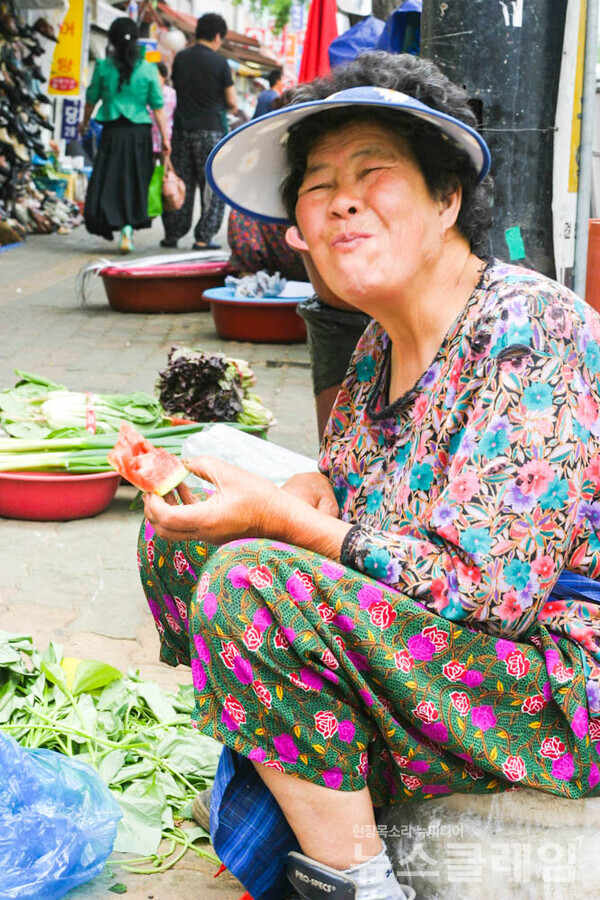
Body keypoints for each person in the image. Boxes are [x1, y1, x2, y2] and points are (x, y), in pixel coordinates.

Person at [139, 51, 600, 900]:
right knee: (181, 534)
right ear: (298, 231)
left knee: (254, 584)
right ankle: (316, 792)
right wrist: (301, 496)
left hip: (559, 679)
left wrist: (290, 525)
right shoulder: (374, 352)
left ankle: (359, 885)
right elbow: (353, 506)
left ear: (447, 198)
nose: (342, 199)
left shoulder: (530, 327)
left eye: (373, 172)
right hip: (447, 649)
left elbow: (490, 593)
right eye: (318, 186)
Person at [80, 17, 170, 253]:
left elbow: (91, 100)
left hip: (112, 133)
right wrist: (165, 139)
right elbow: (158, 108)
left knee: (110, 179)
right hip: (139, 135)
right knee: (134, 179)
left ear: (111, 40)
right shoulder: (149, 69)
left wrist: (83, 123)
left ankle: (117, 223)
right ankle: (129, 228)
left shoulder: (103, 66)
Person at [160, 12, 238, 251]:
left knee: (181, 180)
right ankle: (203, 237)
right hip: (211, 132)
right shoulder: (220, 63)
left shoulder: (181, 58)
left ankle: (172, 234)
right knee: (213, 186)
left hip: (182, 130)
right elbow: (232, 101)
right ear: (217, 36)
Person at [151, 61, 176, 158]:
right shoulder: (146, 92)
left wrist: (165, 139)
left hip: (163, 140)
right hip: (147, 140)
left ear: (164, 77)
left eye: (156, 75)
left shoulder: (170, 93)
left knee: (160, 169)